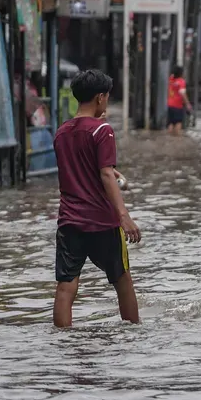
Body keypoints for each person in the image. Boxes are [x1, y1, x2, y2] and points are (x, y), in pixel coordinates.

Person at [52, 70, 141, 328]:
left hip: (69, 222)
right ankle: (133, 334)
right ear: (100, 97)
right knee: (122, 280)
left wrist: (108, 171)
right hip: (102, 222)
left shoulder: (61, 132)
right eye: (108, 98)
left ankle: (62, 341)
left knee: (66, 287)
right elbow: (104, 173)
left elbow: (77, 169)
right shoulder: (103, 130)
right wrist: (124, 217)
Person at [167, 65, 191, 135]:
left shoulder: (171, 79)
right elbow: (183, 94)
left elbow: (172, 75)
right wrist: (187, 104)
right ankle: (177, 138)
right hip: (177, 106)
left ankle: (170, 137)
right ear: (181, 73)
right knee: (178, 122)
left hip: (170, 104)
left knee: (171, 122)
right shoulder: (181, 82)